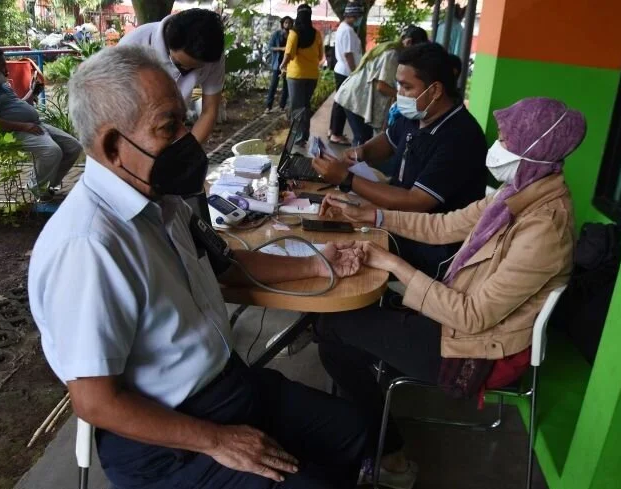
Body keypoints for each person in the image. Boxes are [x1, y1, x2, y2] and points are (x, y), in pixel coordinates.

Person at [27, 45, 368, 489]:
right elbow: (96, 403)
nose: (188, 138)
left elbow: (226, 264)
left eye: (184, 122)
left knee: (354, 431)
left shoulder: (165, 202)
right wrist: (217, 441)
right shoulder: (89, 247)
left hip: (229, 386)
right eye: (169, 127)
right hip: (167, 441)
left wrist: (319, 264)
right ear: (113, 146)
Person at [317, 97, 586, 489]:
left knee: (334, 329)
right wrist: (370, 215)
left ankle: (390, 457)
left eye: (507, 140)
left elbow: (472, 316)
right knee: (342, 328)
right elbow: (443, 226)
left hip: (478, 353)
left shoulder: (545, 228)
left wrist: (392, 264)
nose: (497, 147)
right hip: (460, 325)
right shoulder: (517, 193)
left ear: (534, 150)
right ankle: (368, 430)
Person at [313, 43, 487, 278]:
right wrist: (360, 152)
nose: (399, 93)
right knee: (330, 227)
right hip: (396, 220)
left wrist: (347, 179)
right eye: (398, 85)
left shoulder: (460, 137)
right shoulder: (418, 114)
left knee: (342, 252)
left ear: (435, 90)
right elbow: (389, 140)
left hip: (432, 246)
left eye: (407, 87)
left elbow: (415, 201)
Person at [0, 47, 82, 200]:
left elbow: (16, 104)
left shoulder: (1, 84)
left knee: (73, 147)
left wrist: (32, 92)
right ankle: (37, 187)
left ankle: (47, 185)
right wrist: (24, 126)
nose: (6, 69)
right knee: (52, 151)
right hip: (14, 132)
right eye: (3, 64)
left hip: (34, 125)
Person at [119, 9, 225, 144]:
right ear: (169, 44)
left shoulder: (211, 52)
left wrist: (188, 149)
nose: (186, 71)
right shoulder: (131, 46)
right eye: (179, 64)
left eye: (195, 68)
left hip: (173, 125)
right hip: (131, 128)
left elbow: (209, 110)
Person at [334, 25, 428, 147]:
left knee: (364, 138)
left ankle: (356, 157)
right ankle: (354, 159)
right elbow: (382, 86)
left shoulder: (393, 51)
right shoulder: (392, 54)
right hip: (355, 98)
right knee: (362, 138)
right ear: (409, 42)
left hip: (357, 96)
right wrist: (405, 98)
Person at [280, 4, 324, 147]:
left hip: (296, 76)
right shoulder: (316, 34)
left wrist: (282, 65)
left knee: (297, 107)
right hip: (312, 76)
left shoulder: (294, 33)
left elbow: (289, 54)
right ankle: (304, 135)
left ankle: (298, 138)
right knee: (305, 105)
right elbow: (320, 56)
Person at [328, 2, 364, 146]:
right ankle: (336, 134)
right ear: (353, 15)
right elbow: (348, 54)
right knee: (343, 103)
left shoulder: (344, 28)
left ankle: (333, 131)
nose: (359, 18)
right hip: (346, 71)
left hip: (342, 69)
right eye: (358, 15)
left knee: (339, 102)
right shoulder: (348, 30)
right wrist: (354, 72)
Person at [265, 16, 293, 114]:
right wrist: (281, 49)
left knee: (286, 86)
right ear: (282, 23)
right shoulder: (276, 34)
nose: (287, 24)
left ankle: (282, 106)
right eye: (286, 22)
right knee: (273, 85)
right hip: (277, 63)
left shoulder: (292, 35)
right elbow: (270, 47)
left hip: (289, 64)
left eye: (289, 23)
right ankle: (268, 106)